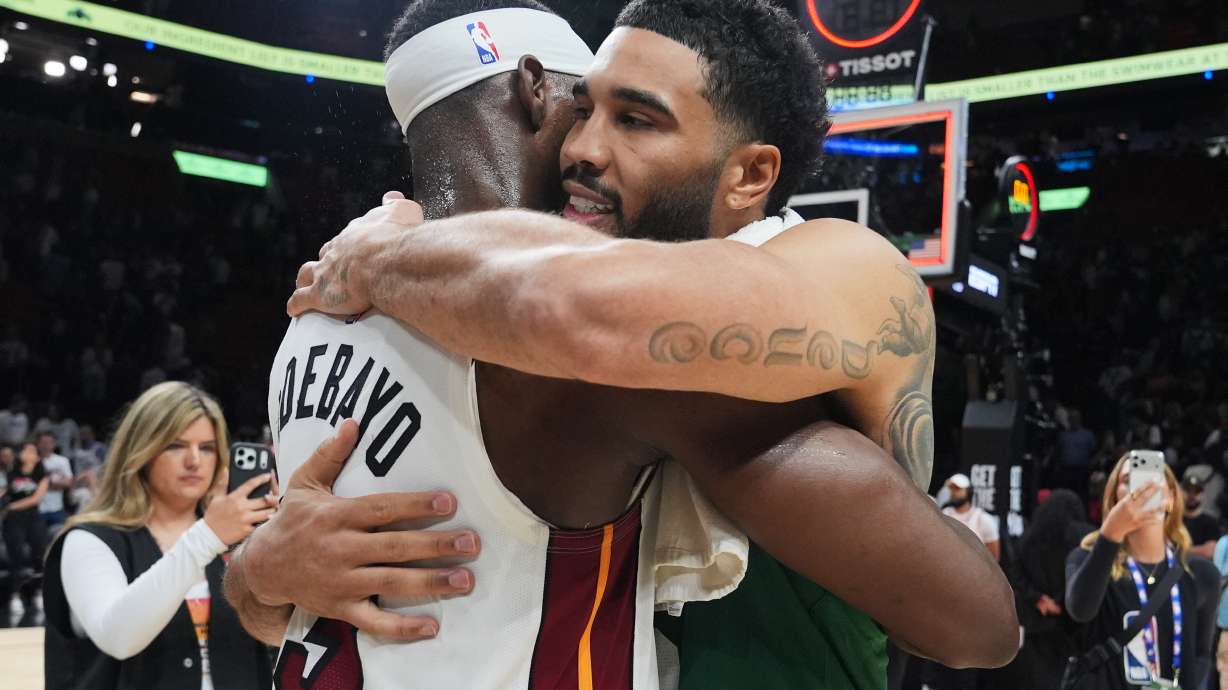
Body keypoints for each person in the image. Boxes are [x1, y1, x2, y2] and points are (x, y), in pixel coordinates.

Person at [226, 0, 1016, 687]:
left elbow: (981, 627)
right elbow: (311, 611)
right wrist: (259, 576)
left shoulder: (840, 265)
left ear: (751, 176)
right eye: (588, 109)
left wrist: (388, 254)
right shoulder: (426, 305)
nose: (583, 149)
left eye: (634, 119)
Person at [41, 382, 277, 690]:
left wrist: (280, 549)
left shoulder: (238, 539)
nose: (194, 460)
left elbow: (276, 636)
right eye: (176, 446)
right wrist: (207, 535)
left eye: (206, 448)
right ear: (141, 450)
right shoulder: (89, 540)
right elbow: (117, 637)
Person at [1066, 453, 1220, 689]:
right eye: (1128, 480)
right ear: (1114, 497)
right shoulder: (1087, 559)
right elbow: (1080, 610)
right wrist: (1111, 534)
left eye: (1153, 479)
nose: (1141, 488)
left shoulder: (1201, 574)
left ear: (1170, 497)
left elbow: (1201, 654)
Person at [1003, 489, 1091, 690]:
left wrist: (1039, 599)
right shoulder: (1083, 535)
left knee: (1039, 676)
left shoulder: (1029, 537)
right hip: (1072, 621)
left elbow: (1015, 573)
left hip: (1037, 618)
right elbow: (1085, 574)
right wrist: (1060, 602)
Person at [2, 440, 49, 619]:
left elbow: (35, 499)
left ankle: (39, 594)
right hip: (13, 521)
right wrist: (6, 506)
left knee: (39, 557)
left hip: (33, 518)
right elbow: (5, 493)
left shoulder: (42, 475)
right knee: (16, 558)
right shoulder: (11, 472)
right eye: (25, 450)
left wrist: (11, 506)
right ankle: (15, 597)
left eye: (31, 451)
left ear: (37, 456)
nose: (27, 454)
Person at [941, 473, 1001, 561]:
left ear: (969, 492)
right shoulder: (943, 514)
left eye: (957, 489)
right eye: (951, 489)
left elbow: (994, 558)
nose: (953, 493)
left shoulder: (983, 519)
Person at [36, 430, 74, 532]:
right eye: (43, 443)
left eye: (49, 443)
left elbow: (69, 482)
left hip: (57, 508)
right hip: (38, 509)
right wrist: (58, 482)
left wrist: (49, 483)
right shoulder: (33, 461)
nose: (46, 446)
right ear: (38, 444)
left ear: (53, 444)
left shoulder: (62, 461)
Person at [1183, 466, 1222, 559]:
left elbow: (1209, 551)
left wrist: (1179, 550)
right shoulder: (1173, 519)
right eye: (1188, 491)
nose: (1192, 496)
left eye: (1196, 491)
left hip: (1199, 570)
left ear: (1202, 494)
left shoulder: (1210, 522)